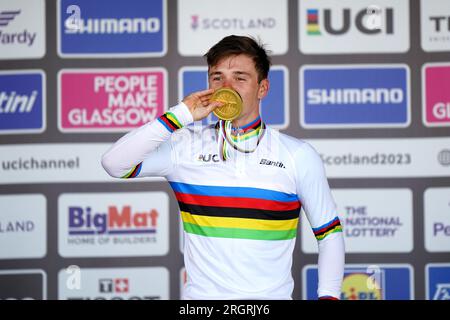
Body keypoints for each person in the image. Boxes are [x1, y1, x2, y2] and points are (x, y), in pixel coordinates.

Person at [101, 35, 345, 300]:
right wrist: (180, 115)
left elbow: (329, 234)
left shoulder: (297, 154)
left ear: (262, 88)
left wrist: (329, 296)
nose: (226, 86)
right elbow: (114, 164)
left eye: (240, 78)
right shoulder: (185, 147)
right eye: (217, 77)